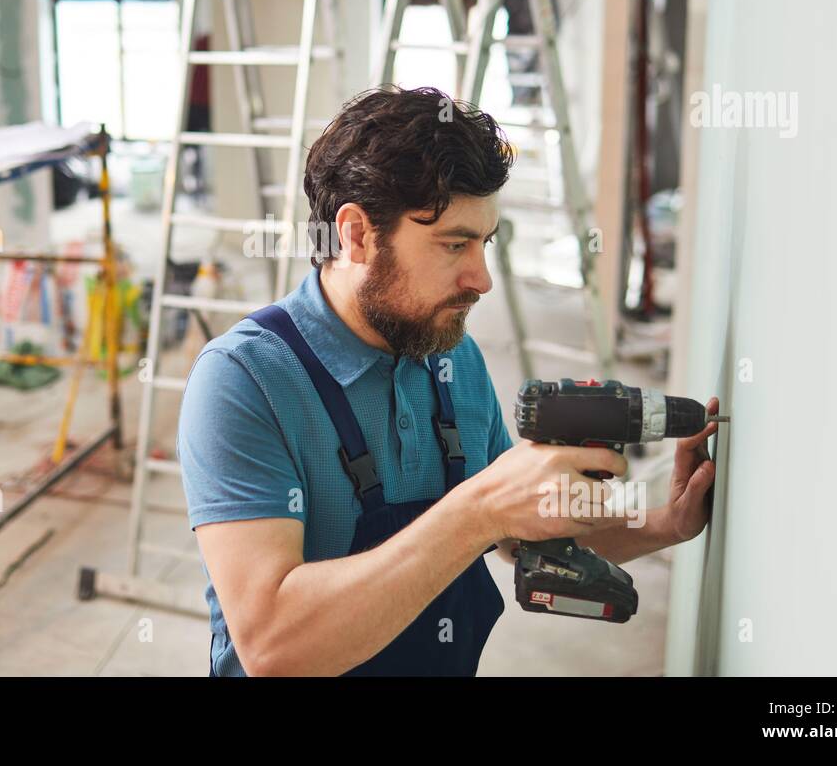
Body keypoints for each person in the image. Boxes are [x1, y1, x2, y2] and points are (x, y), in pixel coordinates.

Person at [177, 85, 718, 676]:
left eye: (484, 242)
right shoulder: (243, 381)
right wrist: (480, 507)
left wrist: (662, 521)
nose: (481, 278)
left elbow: (522, 537)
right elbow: (274, 649)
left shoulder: (452, 358)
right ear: (356, 235)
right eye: (453, 244)